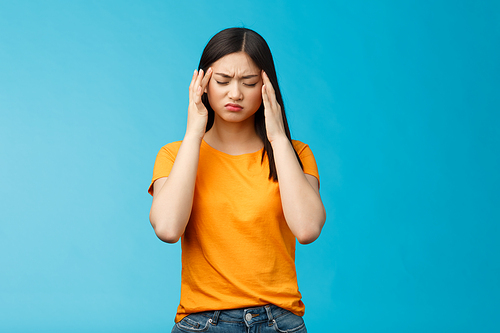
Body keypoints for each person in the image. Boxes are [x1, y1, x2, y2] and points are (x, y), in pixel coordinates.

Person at [148, 27, 326, 333]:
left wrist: (278, 138)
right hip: (202, 322)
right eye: (222, 81)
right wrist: (193, 133)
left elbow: (308, 229)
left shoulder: (295, 154)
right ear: (202, 83)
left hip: (279, 323)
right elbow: (167, 228)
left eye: (249, 82)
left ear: (266, 86)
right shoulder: (175, 155)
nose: (235, 93)